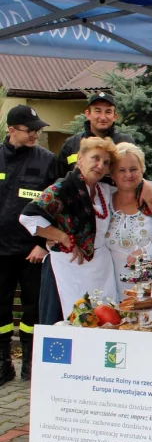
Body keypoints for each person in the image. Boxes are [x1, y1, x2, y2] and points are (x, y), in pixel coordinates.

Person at [20, 137, 120, 320]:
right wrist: (62, 237)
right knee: (77, 318)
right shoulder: (63, 188)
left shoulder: (104, 188)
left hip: (101, 266)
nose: (100, 165)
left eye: (106, 162)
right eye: (95, 158)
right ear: (80, 159)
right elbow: (28, 216)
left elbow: (131, 182)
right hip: (70, 265)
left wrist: (146, 188)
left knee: (107, 317)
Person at [0, 106, 57, 383]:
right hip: (1, 250)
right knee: (1, 309)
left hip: (32, 251)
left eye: (38, 129)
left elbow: (56, 207)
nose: (35, 134)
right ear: (11, 129)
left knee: (33, 308)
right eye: (29, 130)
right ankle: (3, 363)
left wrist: (43, 244)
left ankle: (31, 363)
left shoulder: (47, 161)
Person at [106, 143, 152, 294]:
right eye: (121, 170)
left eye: (133, 169)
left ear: (142, 170)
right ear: (112, 174)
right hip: (120, 291)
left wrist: (147, 253)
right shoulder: (105, 201)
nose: (128, 175)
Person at [55, 92, 134, 178]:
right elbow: (60, 179)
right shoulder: (71, 144)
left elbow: (137, 176)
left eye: (108, 112)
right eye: (97, 111)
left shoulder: (126, 143)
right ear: (88, 114)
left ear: (114, 116)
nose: (103, 117)